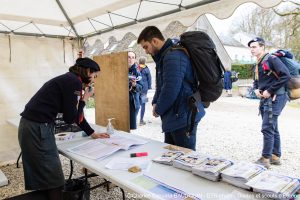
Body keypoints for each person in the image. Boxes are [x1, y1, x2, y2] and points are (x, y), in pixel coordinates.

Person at [18, 57, 110, 200]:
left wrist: (91, 133)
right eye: (94, 75)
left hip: (34, 126)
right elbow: (70, 118)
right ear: (87, 71)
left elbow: (75, 116)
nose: (93, 79)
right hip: (37, 128)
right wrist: (84, 100)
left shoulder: (70, 80)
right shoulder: (73, 82)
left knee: (47, 178)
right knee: (55, 180)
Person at [137, 26, 205, 150]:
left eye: (146, 47)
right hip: (176, 116)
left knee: (184, 160)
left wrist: (159, 109)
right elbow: (161, 84)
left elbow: (171, 89)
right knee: (171, 157)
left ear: (155, 41)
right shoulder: (164, 56)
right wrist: (155, 102)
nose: (146, 52)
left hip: (183, 116)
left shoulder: (173, 56)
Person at [248, 37, 291, 168]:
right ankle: (275, 156)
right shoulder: (258, 62)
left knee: (267, 127)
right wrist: (256, 89)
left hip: (276, 97)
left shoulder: (272, 59)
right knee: (273, 127)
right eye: (250, 47)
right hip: (266, 97)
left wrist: (270, 90)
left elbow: (286, 75)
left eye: (254, 47)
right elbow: (257, 79)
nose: (252, 49)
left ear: (262, 47)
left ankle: (265, 158)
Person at [128, 51, 143, 130]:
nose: (130, 59)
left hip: (133, 103)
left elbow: (141, 87)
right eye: (128, 57)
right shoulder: (119, 69)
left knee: (130, 127)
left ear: (135, 59)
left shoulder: (137, 72)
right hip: (120, 102)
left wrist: (135, 85)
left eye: (132, 57)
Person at [138, 56, 152, 125]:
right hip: (144, 89)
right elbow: (149, 79)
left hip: (137, 88)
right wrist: (149, 87)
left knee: (136, 103)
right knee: (143, 104)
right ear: (144, 62)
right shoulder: (146, 69)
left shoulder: (136, 68)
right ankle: (141, 120)